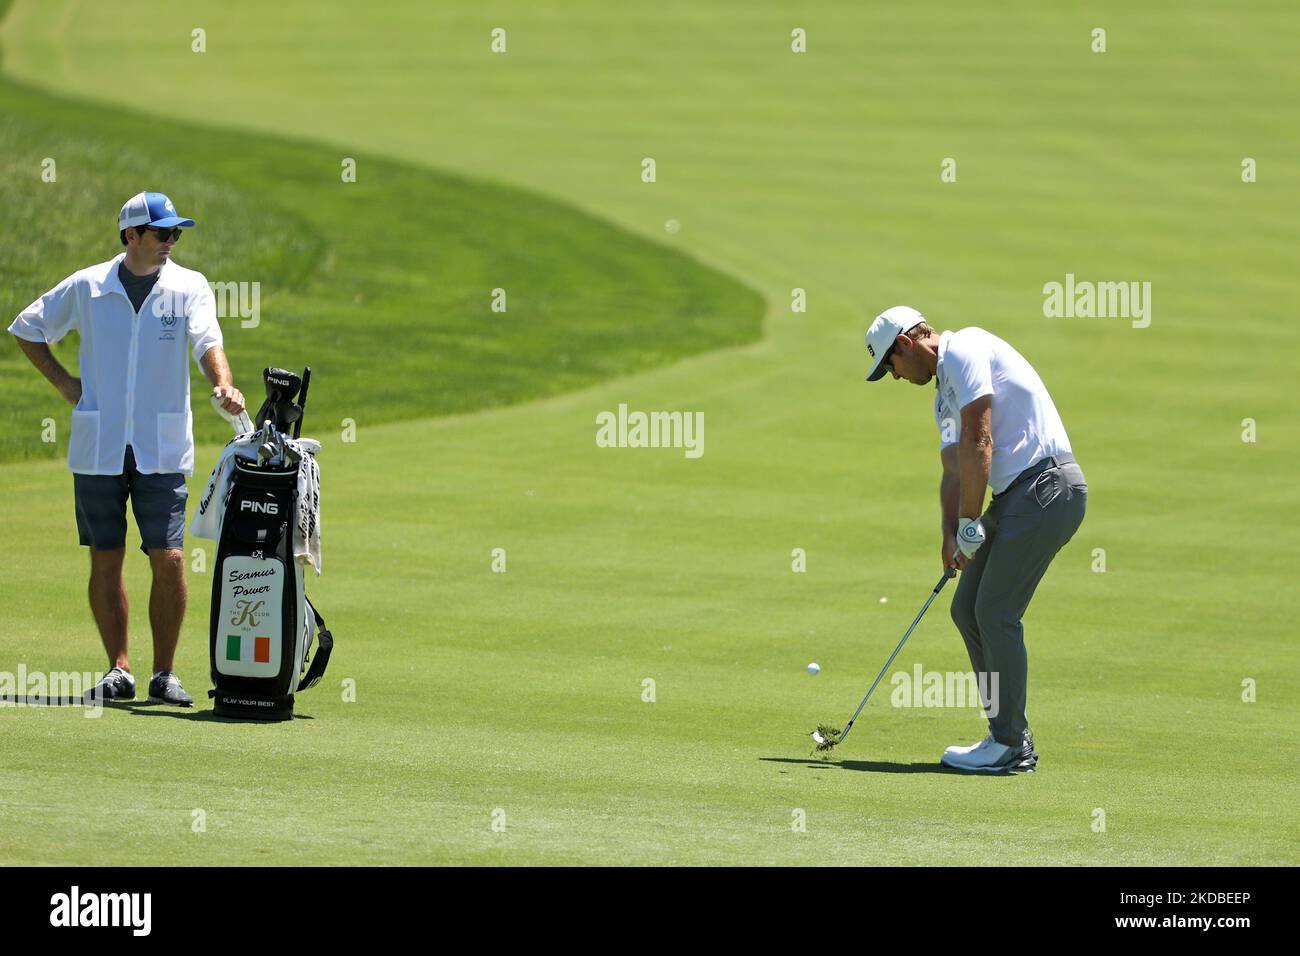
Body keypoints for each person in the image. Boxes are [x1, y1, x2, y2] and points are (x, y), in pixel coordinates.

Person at [8, 191, 246, 705]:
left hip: (161, 446)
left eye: (175, 234)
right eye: (162, 234)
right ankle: (119, 669)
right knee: (106, 557)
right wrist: (65, 383)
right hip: (100, 444)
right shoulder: (88, 286)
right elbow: (27, 327)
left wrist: (223, 383)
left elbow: (208, 343)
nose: (170, 243)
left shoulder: (189, 286)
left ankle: (164, 673)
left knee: (171, 558)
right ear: (131, 235)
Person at [864, 305, 1087, 772]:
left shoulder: (964, 348)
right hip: (1016, 498)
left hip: (1046, 488)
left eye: (890, 367)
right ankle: (1005, 735)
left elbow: (980, 439)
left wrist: (970, 523)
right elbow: (953, 465)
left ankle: (1010, 744)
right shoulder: (943, 393)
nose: (896, 378)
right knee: (966, 609)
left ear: (905, 343)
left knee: (995, 611)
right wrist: (950, 533)